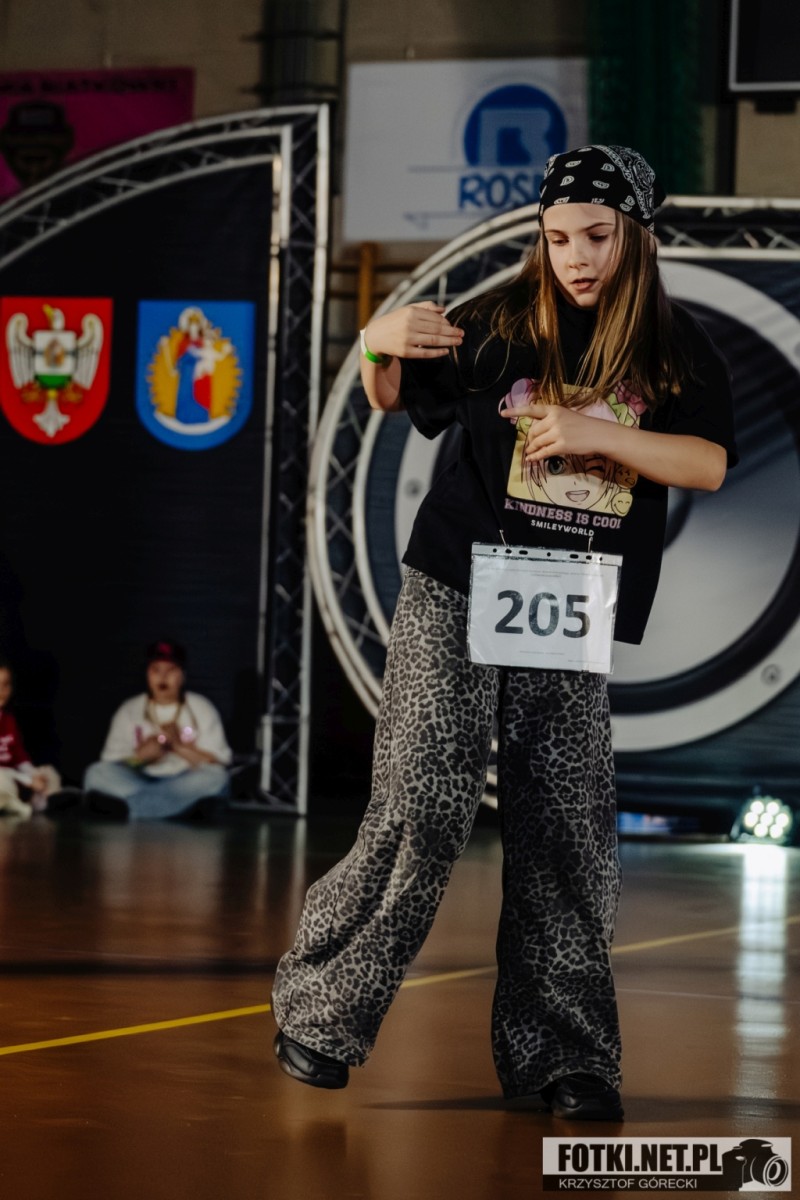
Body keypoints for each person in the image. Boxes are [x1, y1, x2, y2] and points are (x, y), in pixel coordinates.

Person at [271, 146, 737, 1119]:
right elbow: (395, 398)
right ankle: (320, 1011)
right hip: (456, 580)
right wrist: (376, 344)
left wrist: (600, 433)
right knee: (422, 798)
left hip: (568, 597)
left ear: (635, 236)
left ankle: (564, 1057)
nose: (576, 257)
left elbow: (706, 463)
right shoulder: (497, 320)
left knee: (564, 825)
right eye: (558, 237)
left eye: (596, 236)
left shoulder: (672, 344)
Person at [83, 640, 232, 820]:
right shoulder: (129, 709)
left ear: (182, 675)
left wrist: (177, 746)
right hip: (139, 780)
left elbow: (217, 762)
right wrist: (140, 758)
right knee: (96, 773)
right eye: (156, 670)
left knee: (217, 778)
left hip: (183, 781)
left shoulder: (201, 707)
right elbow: (113, 763)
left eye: (171, 670)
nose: (163, 677)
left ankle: (135, 808)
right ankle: (171, 810)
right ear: (147, 674)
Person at [0, 659, 61, 816]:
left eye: (6, 685)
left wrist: (34, 775)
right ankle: (16, 805)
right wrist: (27, 780)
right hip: (6, 778)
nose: (2, 691)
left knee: (49, 774)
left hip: (13, 778)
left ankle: (41, 802)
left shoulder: (8, 720)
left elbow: (19, 757)